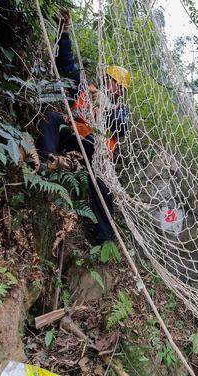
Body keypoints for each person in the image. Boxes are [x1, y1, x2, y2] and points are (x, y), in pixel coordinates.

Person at [36, 10, 130, 244]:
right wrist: (63, 32)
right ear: (104, 78)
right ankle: (43, 162)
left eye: (118, 85)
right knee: (52, 117)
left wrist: (106, 109)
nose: (113, 86)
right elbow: (66, 64)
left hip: (97, 152)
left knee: (103, 187)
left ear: (122, 91)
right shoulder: (86, 90)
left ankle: (103, 238)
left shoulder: (120, 109)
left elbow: (121, 128)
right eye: (111, 80)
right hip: (74, 137)